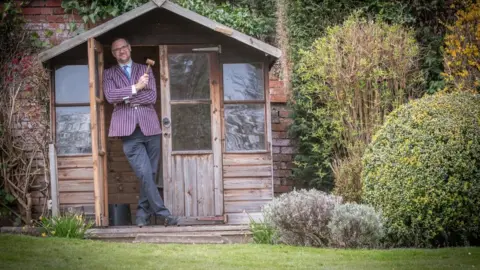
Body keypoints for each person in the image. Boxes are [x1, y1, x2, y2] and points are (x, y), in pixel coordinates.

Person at [103, 37, 178, 227]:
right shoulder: (109, 74)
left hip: (150, 127)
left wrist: (127, 97)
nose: (121, 51)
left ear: (129, 48)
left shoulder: (145, 70)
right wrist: (136, 87)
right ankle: (163, 214)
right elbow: (111, 96)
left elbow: (152, 96)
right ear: (113, 53)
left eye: (124, 47)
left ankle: (142, 215)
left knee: (151, 174)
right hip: (129, 132)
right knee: (145, 173)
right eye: (117, 49)